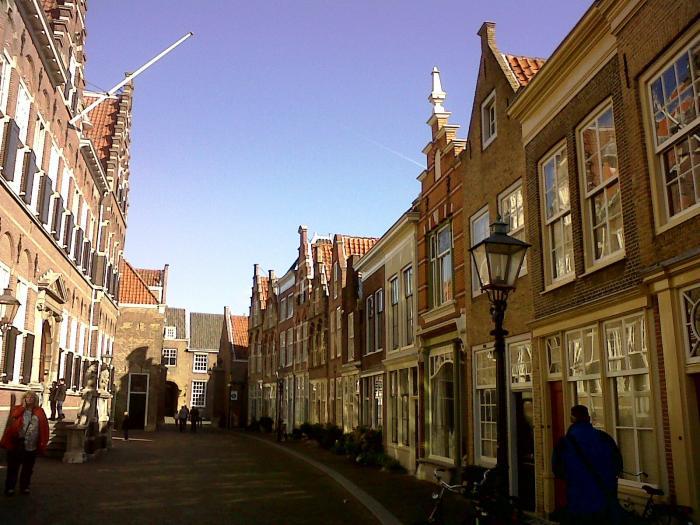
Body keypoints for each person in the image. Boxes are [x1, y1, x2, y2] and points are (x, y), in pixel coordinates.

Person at [552, 405, 623, 525]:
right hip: (604, 501)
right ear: (588, 418)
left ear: (572, 419)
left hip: (578, 502)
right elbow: (618, 466)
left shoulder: (564, 443)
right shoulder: (605, 438)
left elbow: (557, 471)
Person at [0, 391, 49, 496]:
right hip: (17, 442)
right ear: (24, 399)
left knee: (28, 468)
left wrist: (43, 441)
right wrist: (23, 407)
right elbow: (14, 416)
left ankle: (25, 486)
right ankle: (10, 487)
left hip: (32, 444)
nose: (30, 399)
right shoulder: (18, 409)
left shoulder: (39, 411)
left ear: (35, 400)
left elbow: (44, 426)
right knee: (13, 467)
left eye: (32, 398)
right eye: (28, 397)